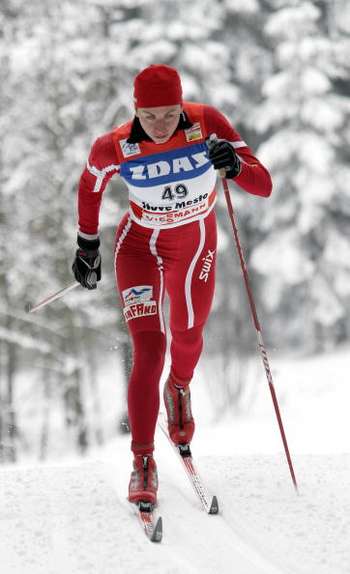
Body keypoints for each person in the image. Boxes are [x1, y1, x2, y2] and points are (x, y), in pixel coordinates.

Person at [72, 64, 272, 507]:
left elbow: (264, 185)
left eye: (169, 114)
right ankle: (142, 461)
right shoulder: (115, 146)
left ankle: (178, 387)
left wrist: (235, 165)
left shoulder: (207, 124)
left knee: (187, 335)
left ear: (181, 106)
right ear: (136, 109)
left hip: (195, 244)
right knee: (149, 348)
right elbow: (89, 186)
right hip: (139, 246)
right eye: (150, 116)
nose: (160, 125)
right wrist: (87, 245)